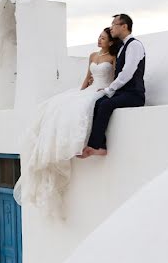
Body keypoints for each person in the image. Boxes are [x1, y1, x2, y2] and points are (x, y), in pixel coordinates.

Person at [14, 27, 122, 217]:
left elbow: (115, 78)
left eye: (103, 38)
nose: (99, 40)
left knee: (79, 108)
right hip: (90, 89)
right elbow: (87, 78)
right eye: (99, 37)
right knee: (60, 104)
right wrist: (80, 92)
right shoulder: (92, 56)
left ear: (111, 42)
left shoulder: (113, 58)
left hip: (102, 90)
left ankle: (78, 143)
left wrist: (106, 92)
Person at [79, 13, 146, 158]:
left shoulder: (134, 45)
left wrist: (110, 89)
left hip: (134, 94)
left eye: (114, 24)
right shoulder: (122, 47)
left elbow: (128, 72)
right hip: (123, 93)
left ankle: (95, 146)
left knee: (104, 105)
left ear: (124, 26)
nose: (111, 28)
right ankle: (99, 145)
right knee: (97, 102)